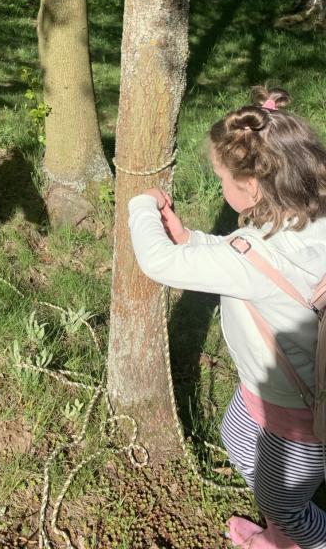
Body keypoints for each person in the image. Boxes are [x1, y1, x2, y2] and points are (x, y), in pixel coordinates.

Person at [128, 88, 326, 549]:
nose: (221, 187)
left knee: (284, 505)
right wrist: (193, 240)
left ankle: (289, 538)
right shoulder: (309, 219)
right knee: (236, 438)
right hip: (271, 393)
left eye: (221, 178)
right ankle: (277, 528)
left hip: (299, 418)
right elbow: (250, 258)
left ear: (252, 186)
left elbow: (158, 263)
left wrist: (141, 204)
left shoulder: (257, 255)